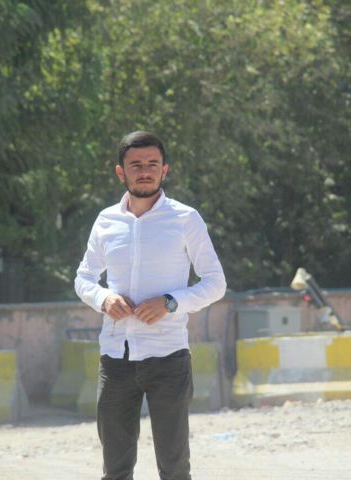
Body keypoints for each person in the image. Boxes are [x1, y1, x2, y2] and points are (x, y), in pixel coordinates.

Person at [74, 131, 226, 480]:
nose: (145, 171)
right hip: (116, 360)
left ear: (164, 170)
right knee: (115, 470)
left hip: (168, 358)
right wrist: (103, 298)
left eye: (152, 164)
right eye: (136, 165)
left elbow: (215, 282)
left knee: (174, 469)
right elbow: (84, 278)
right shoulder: (106, 221)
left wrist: (171, 302)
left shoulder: (186, 219)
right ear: (120, 172)